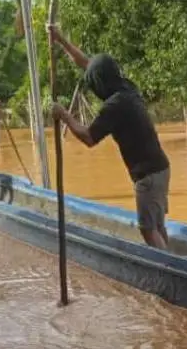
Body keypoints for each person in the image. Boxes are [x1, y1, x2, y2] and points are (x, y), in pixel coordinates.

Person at [47, 24, 171, 250]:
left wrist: (64, 115)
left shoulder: (115, 106)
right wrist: (61, 40)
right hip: (161, 169)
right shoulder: (127, 88)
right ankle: (169, 259)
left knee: (147, 229)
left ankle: (167, 270)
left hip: (147, 177)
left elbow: (88, 138)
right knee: (158, 224)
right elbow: (87, 63)